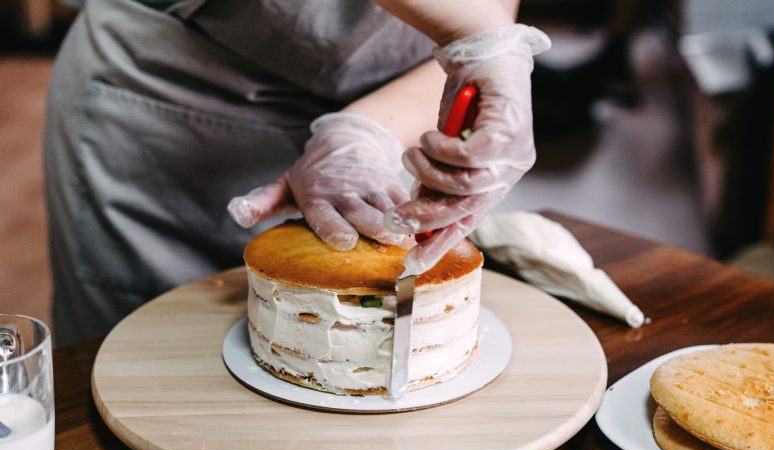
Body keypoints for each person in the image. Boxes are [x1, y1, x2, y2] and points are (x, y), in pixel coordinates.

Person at [44, 0, 550, 345]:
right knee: (155, 357)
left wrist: (366, 129)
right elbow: (472, 27)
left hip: (394, 103)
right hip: (178, 84)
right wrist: (478, 39)